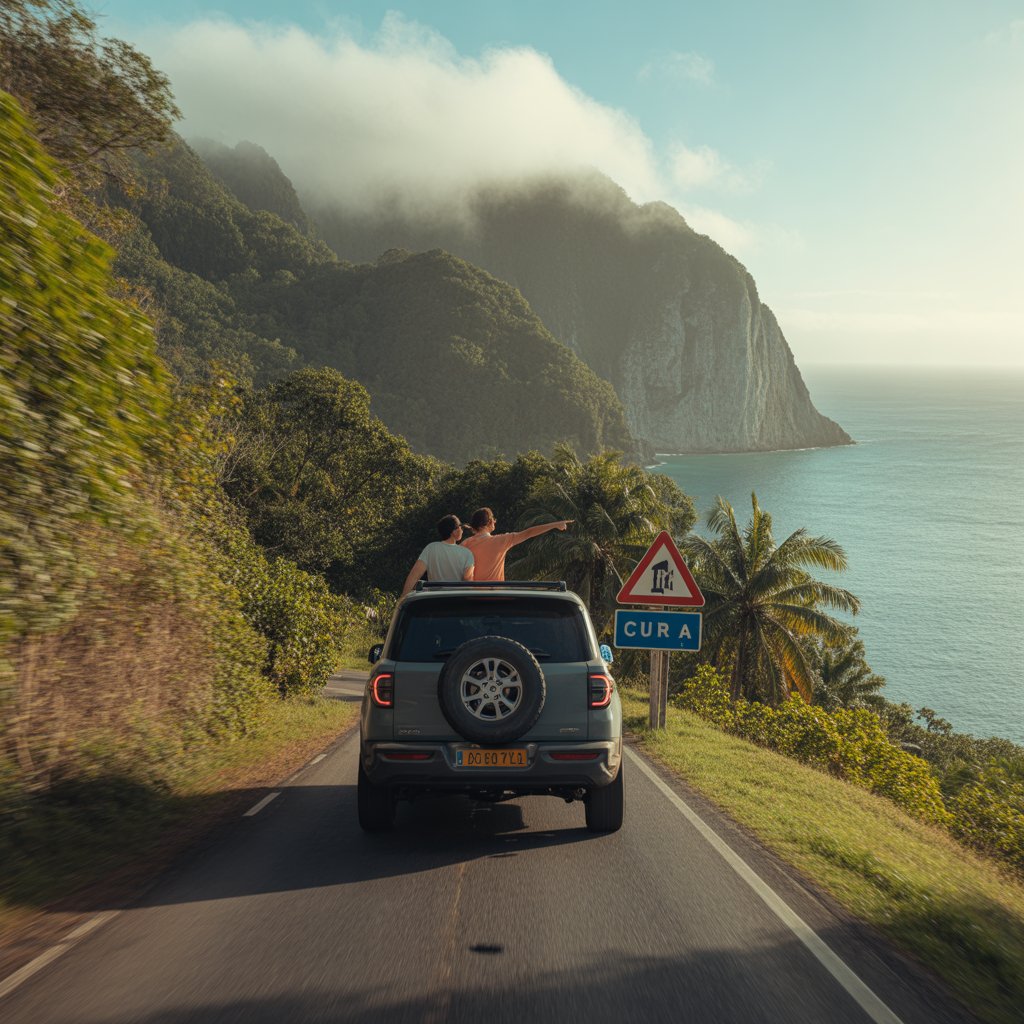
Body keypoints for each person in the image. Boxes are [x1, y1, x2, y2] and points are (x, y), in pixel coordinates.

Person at [461, 507, 572, 581]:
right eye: (493, 518)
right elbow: (529, 533)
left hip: (472, 596)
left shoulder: (465, 544)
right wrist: (555, 525)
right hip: (495, 596)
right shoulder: (501, 541)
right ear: (489, 522)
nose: (495, 521)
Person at [400, 514, 474, 598]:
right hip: (457, 601)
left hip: (434, 601)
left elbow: (414, 575)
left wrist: (403, 598)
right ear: (454, 531)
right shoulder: (467, 553)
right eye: (460, 527)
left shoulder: (431, 548)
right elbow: (468, 583)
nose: (462, 530)